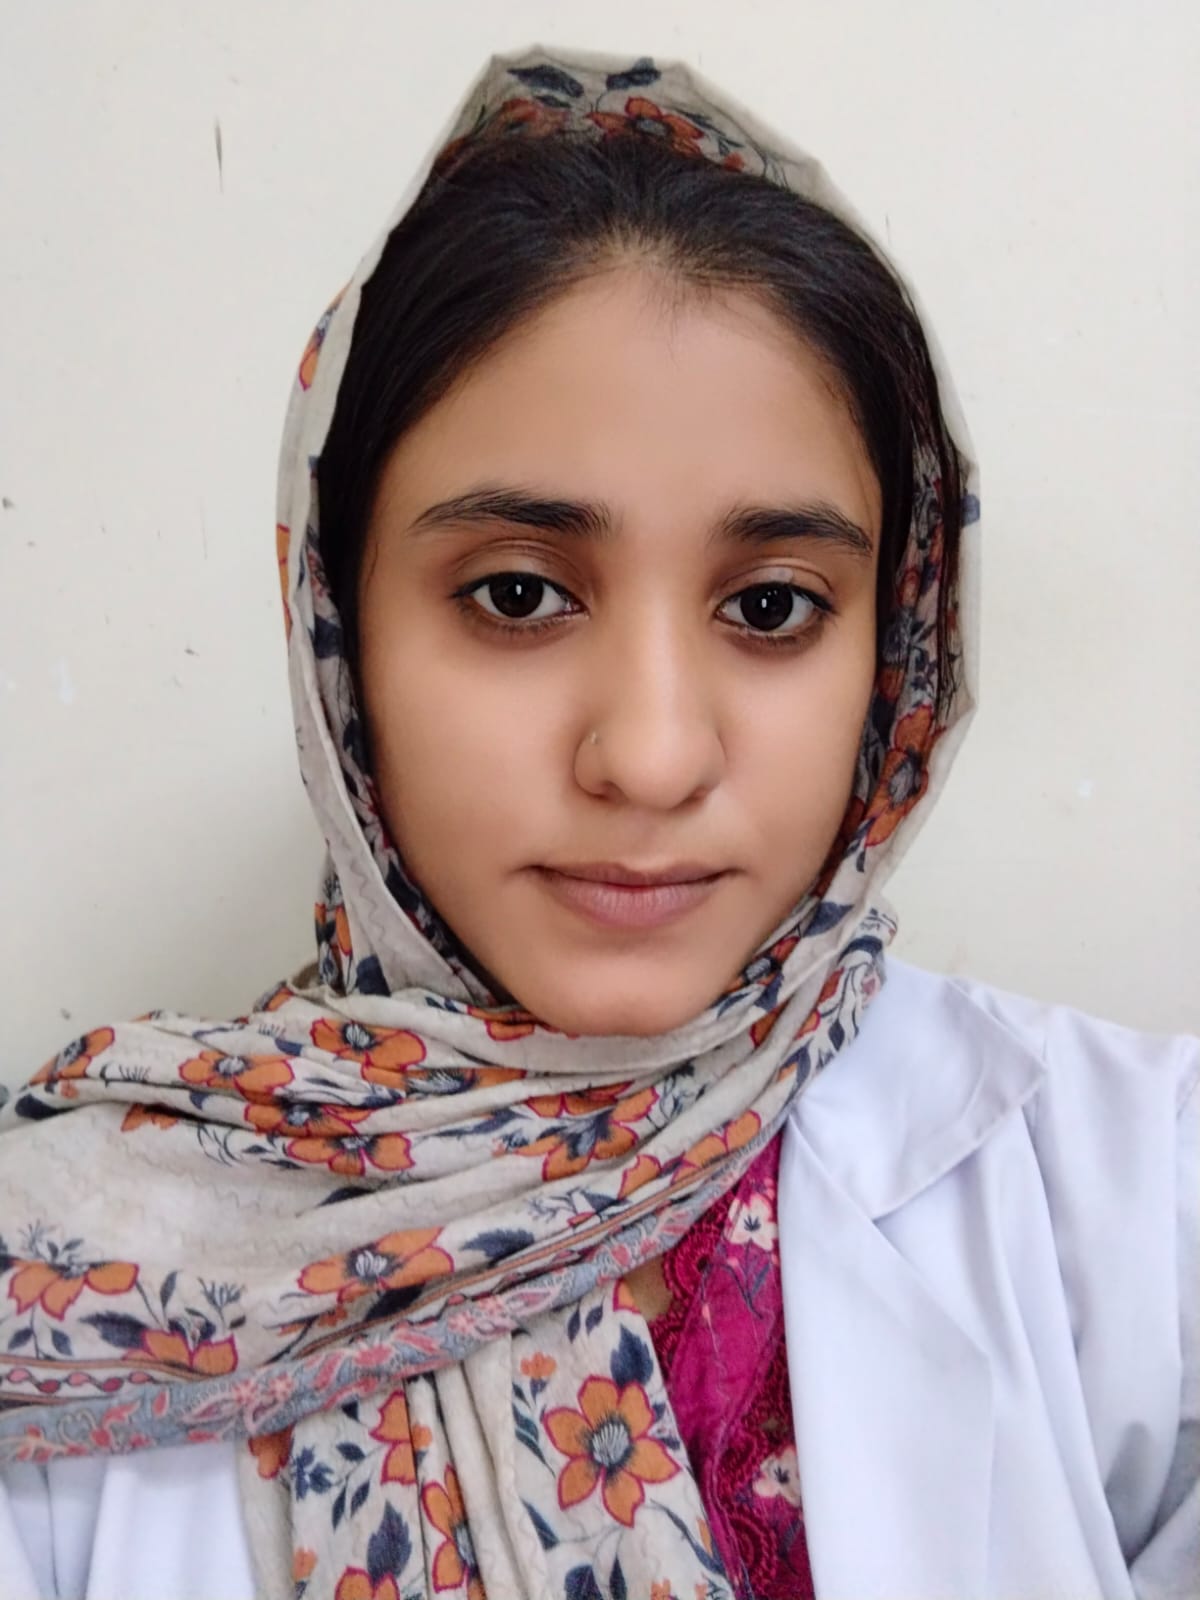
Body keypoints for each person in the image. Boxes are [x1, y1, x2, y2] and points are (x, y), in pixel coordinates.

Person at [0, 44, 1195, 1600]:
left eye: (772, 607)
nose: (650, 754)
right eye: (518, 595)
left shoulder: (1138, 1202)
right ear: (337, 635)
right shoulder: (65, 1274)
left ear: (894, 655)